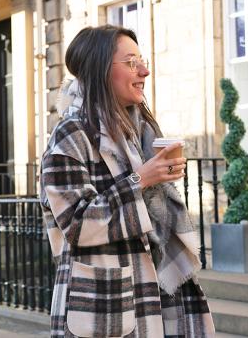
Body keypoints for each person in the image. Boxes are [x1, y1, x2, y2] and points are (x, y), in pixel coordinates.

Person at [40, 25, 215, 337]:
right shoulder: (71, 134)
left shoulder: (140, 132)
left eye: (142, 61)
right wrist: (141, 180)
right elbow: (76, 224)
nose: (144, 71)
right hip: (104, 307)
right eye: (131, 62)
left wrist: (160, 179)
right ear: (100, 70)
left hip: (155, 293)